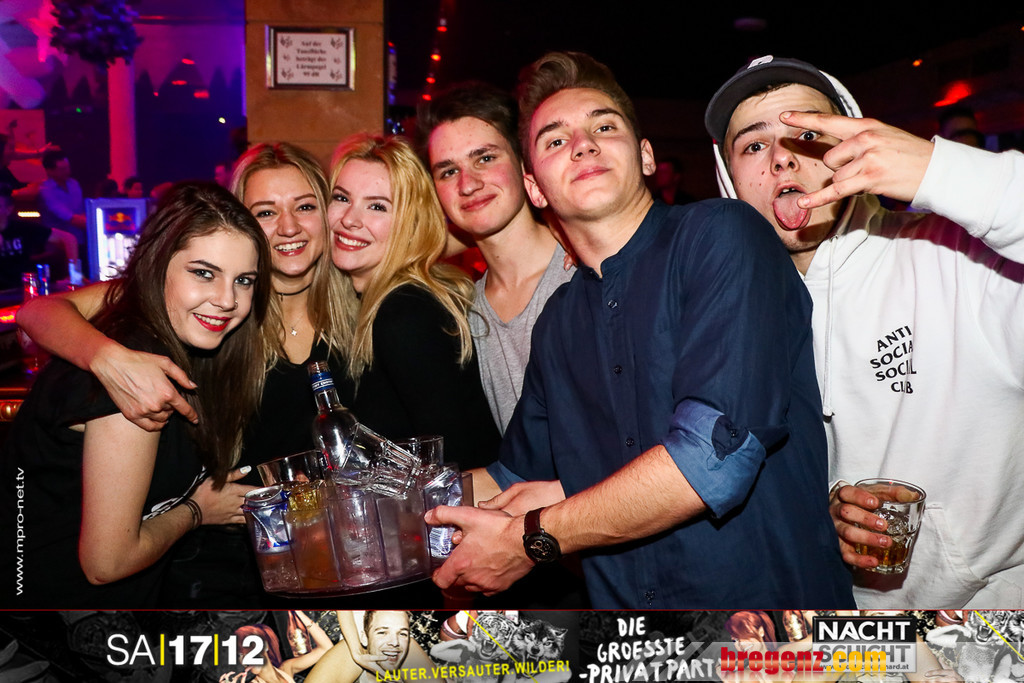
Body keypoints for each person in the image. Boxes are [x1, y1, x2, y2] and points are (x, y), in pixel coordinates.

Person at [426, 51, 853, 608]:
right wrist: (375, 509)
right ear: (535, 188)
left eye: (604, 127)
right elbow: (510, 477)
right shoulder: (558, 323)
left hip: (769, 635)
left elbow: (711, 461)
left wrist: (528, 539)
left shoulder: (720, 235)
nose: (583, 145)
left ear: (646, 156)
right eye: (556, 140)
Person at [704, 54, 1024, 607]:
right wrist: (822, 511)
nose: (781, 158)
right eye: (753, 145)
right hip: (855, 630)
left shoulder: (956, 257)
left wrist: (934, 169)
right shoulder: (727, 312)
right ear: (728, 181)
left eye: (807, 135)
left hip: (994, 618)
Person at [15, 142, 358, 605]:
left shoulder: (357, 308)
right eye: (265, 211)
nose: (289, 226)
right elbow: (37, 312)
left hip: (318, 557)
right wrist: (108, 358)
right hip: (194, 568)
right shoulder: (185, 313)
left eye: (305, 206)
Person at [0, 181, 270, 607]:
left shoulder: (177, 338)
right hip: (52, 626)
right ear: (159, 264)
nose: (226, 300)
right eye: (203, 273)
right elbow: (106, 563)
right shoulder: (137, 381)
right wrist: (197, 511)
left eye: (244, 281)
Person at [327, 133, 500, 468]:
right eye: (342, 198)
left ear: (409, 224)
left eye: (377, 206)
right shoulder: (374, 304)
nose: (349, 219)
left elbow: (452, 463)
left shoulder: (406, 313)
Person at [417, 82, 575, 436]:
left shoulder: (583, 273)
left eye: (485, 158)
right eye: (448, 171)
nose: (467, 184)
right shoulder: (464, 315)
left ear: (523, 162)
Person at [36, 148, 86, 252]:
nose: (67, 171)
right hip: (57, 246)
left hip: (78, 240)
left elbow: (80, 211)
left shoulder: (74, 184)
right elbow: (68, 217)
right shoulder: (46, 191)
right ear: (49, 171)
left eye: (68, 167)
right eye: (62, 169)